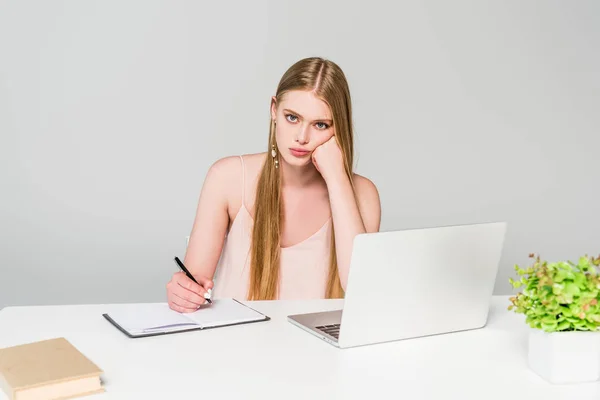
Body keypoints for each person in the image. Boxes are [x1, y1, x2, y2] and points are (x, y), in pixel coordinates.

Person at [166, 56, 381, 312]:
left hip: (314, 350)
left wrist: (337, 178)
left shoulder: (362, 194)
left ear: (338, 128)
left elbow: (360, 288)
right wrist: (183, 293)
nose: (302, 137)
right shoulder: (228, 177)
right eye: (292, 118)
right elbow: (194, 285)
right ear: (274, 110)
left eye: (320, 125)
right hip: (232, 344)